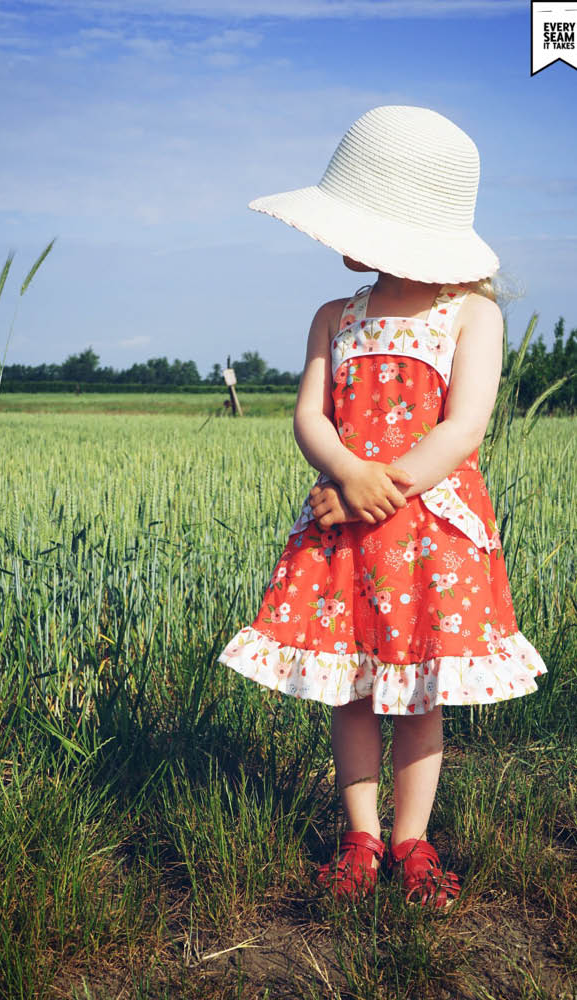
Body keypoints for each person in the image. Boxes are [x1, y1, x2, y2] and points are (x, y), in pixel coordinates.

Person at [217, 106, 549, 910]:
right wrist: (342, 471)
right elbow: (309, 415)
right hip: (346, 533)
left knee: (420, 695)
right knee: (354, 689)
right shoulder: (336, 317)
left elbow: (464, 426)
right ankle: (361, 835)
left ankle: (411, 839)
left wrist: (379, 483)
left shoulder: (472, 315)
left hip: (428, 534)